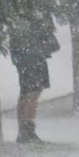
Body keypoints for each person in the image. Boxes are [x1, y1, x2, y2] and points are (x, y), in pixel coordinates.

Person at [8, 14, 60, 144]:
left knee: (33, 90)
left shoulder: (29, 10)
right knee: (30, 91)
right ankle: (26, 129)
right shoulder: (27, 11)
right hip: (29, 53)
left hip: (33, 53)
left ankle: (27, 128)